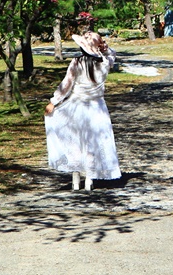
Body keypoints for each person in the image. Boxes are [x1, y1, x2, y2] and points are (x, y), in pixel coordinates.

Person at [44, 31, 121, 191]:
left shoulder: (77, 63)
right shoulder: (106, 62)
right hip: (97, 108)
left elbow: (66, 85)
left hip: (76, 106)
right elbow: (112, 53)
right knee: (93, 143)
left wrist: (54, 101)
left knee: (75, 141)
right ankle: (89, 179)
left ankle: (76, 178)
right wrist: (103, 47)